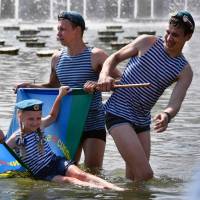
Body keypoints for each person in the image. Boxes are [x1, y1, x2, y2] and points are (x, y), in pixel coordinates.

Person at [94, 10, 195, 181]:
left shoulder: (185, 70)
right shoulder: (147, 42)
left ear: (188, 37)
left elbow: (175, 102)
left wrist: (167, 115)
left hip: (142, 120)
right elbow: (114, 57)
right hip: (118, 111)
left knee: (135, 177)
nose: (169, 38)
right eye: (168, 32)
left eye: (175, 35)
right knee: (146, 174)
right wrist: (104, 75)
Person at [15, 11, 121, 170]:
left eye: (62, 29)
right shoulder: (56, 57)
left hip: (93, 123)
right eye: (57, 29)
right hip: (67, 123)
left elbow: (122, 81)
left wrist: (101, 83)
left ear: (77, 30)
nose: (58, 34)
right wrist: (28, 86)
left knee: (94, 170)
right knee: (70, 169)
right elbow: (52, 86)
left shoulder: (96, 56)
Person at [0, 86, 124, 190]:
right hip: (42, 173)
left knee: (81, 174)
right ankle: (103, 190)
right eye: (31, 119)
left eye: (38, 118)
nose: (35, 122)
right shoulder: (16, 138)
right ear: (20, 118)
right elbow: (3, 153)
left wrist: (60, 96)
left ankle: (114, 188)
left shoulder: (40, 126)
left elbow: (53, 116)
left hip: (56, 161)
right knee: (70, 181)